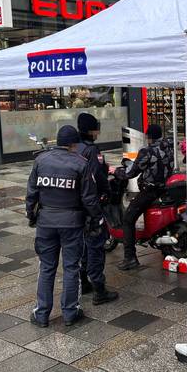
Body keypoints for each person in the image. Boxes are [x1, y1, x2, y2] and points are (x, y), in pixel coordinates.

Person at [26, 125, 103, 327]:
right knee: (71, 268)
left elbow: (31, 193)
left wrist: (31, 215)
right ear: (74, 144)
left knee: (46, 267)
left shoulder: (41, 160)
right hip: (72, 224)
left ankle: (42, 314)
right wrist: (97, 219)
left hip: (46, 222)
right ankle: (70, 312)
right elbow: (89, 198)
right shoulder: (80, 163)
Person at [113, 124, 174, 270]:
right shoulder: (169, 146)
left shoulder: (147, 151)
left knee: (128, 219)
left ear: (149, 137)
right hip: (165, 189)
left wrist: (115, 171)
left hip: (150, 191)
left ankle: (130, 258)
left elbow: (130, 173)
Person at [76, 113, 118, 305]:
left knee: (83, 245)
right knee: (95, 246)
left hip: (77, 206)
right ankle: (99, 289)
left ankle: (83, 281)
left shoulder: (74, 147)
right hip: (92, 205)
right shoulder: (92, 150)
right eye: (96, 128)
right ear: (91, 130)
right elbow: (98, 177)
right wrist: (107, 191)